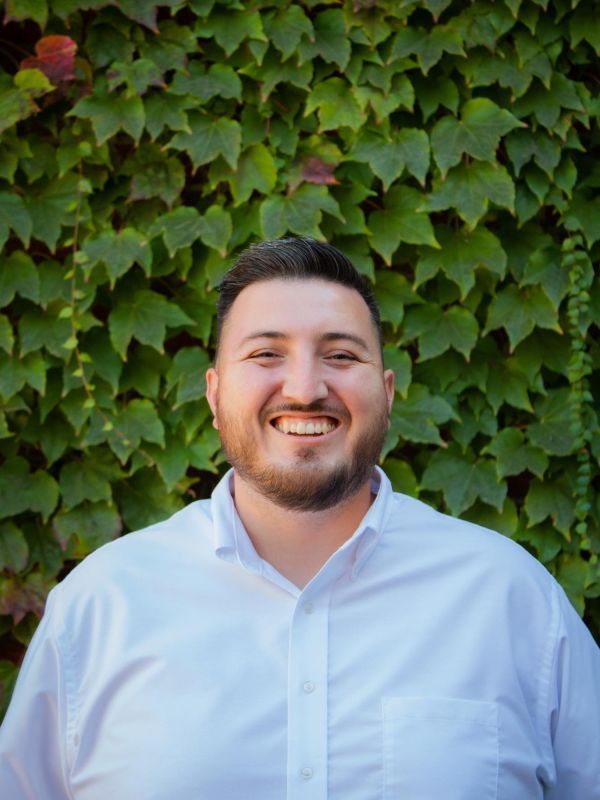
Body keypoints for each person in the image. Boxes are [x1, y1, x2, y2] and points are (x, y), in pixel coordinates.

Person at [0, 237, 598, 799]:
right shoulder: (101, 605)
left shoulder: (511, 598)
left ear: (387, 394)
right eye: (265, 354)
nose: (306, 388)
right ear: (214, 394)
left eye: (341, 355)